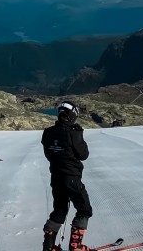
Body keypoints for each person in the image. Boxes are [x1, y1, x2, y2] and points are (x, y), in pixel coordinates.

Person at [41, 102, 92, 251]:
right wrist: (79, 135)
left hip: (56, 177)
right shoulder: (73, 133)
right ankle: (76, 246)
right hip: (71, 177)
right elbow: (84, 155)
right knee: (84, 210)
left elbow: (49, 154)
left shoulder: (48, 132)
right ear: (73, 115)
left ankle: (48, 246)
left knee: (59, 211)